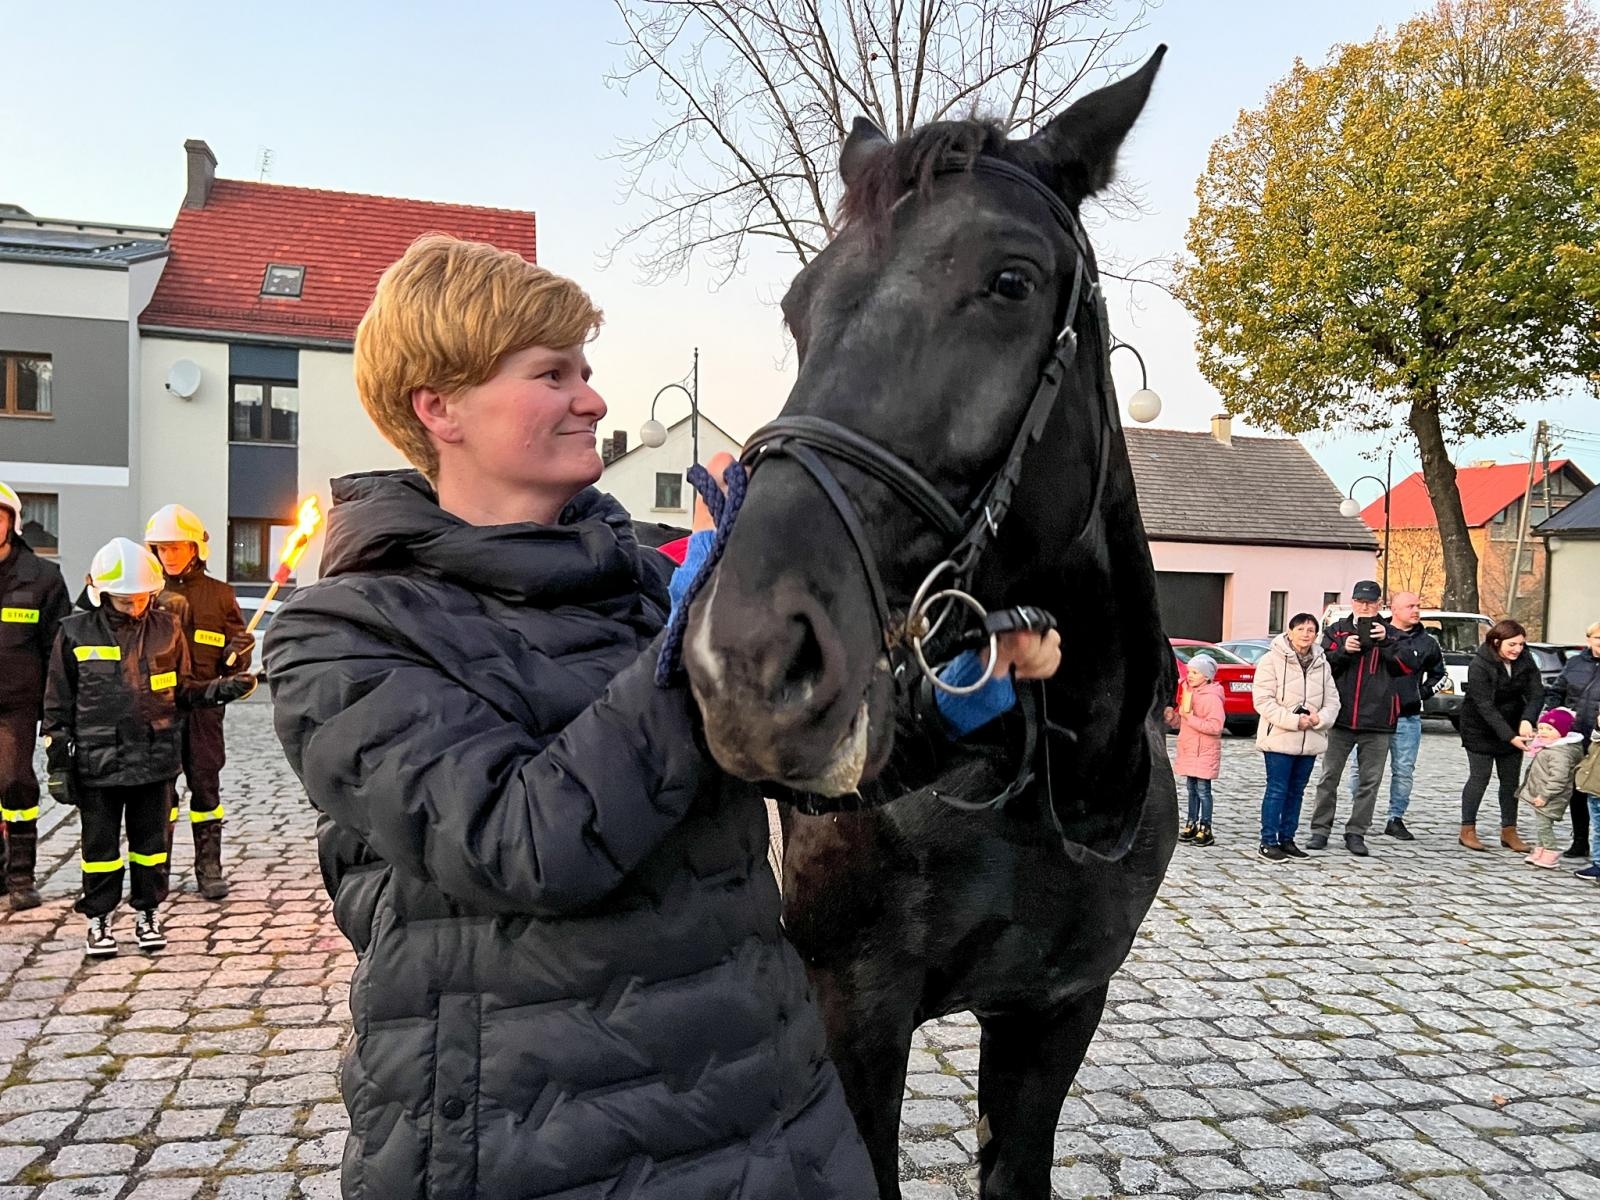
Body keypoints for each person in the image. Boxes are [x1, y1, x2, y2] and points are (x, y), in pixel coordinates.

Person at [263, 234, 1062, 1199]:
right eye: (552, 373)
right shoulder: (343, 633)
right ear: (440, 408)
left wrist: (959, 690)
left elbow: (793, 766)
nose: (593, 399)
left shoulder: (642, 584)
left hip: (767, 1099)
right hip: (537, 1132)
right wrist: (695, 643)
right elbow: (529, 842)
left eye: (587, 371)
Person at [42, 539, 255, 958]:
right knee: (100, 849)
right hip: (97, 760)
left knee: (151, 845)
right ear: (102, 593)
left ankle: (148, 912)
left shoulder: (167, 629)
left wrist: (220, 690)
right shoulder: (74, 632)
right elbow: (57, 704)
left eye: (142, 598)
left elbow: (183, 690)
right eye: (125, 601)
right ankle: (99, 918)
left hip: (155, 758)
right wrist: (58, 763)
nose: (135, 607)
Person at [145, 503, 252, 900]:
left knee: (206, 787)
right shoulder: (149, 593)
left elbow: (237, 651)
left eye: (176, 548)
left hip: (206, 709)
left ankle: (209, 867)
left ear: (195, 549)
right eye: (162, 549)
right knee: (161, 793)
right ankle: (158, 867)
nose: (168, 556)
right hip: (161, 710)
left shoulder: (220, 595)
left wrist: (239, 651)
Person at [0, 481, 72, 910]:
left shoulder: (43, 577)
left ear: (12, 522)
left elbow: (57, 650)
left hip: (17, 703)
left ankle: (21, 876)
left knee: (14, 782)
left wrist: (55, 708)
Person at [1308, 579, 1416, 856]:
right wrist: (1344, 652)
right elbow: (1322, 667)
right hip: (1341, 718)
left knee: (1370, 782)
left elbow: (1406, 667)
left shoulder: (1392, 633)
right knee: (1328, 777)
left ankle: (1356, 832)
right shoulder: (1336, 631)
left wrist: (1385, 644)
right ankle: (1320, 830)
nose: (1365, 606)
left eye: (1371, 602)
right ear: (1353, 602)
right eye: (1360, 601)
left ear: (1380, 604)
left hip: (1379, 720)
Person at [1252, 612, 1341, 863]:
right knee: (1277, 790)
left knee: (1297, 791)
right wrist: (1294, 720)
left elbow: (1333, 700)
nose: (1306, 634)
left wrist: (1318, 719)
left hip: (1309, 739)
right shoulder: (1271, 661)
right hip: (1280, 738)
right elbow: (1263, 700)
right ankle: (1268, 841)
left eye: (1311, 630)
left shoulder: (1322, 663)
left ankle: (1287, 839)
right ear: (1289, 632)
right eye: (1300, 629)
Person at [1458, 618, 1544, 852]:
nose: (1517, 649)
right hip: (1479, 728)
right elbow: (1485, 706)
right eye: (1512, 645)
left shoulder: (1525, 660)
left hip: (1513, 723)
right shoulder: (1479, 664)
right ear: (1497, 642)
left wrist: (1527, 720)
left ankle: (1509, 831)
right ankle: (1467, 829)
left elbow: (1537, 693)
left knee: (1510, 782)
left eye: (1521, 645)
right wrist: (1509, 737)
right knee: (1480, 777)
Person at [1381, 592, 1444, 841]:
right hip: (1375, 716)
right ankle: (1360, 816)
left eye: (1418, 606)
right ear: (1394, 609)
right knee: (1362, 770)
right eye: (1410, 606)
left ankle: (1395, 818)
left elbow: (1440, 675)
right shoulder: (1379, 635)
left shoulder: (1427, 642)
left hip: (1407, 717)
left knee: (1404, 770)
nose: (1416, 610)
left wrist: (1421, 694)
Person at [1544, 620, 1600, 867]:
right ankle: (1580, 841)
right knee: (1577, 789)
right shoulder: (1575, 663)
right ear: (1589, 639)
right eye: (1598, 638)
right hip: (1576, 735)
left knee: (1595, 790)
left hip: (1599, 738)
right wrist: (1557, 716)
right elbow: (1557, 691)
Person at [1164, 655, 1224, 847]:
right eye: (1189, 672)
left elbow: (1215, 727)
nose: (1190, 676)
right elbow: (1183, 721)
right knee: (1191, 789)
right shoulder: (1189, 693)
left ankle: (1205, 826)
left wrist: (1190, 718)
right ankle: (1191, 822)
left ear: (1207, 676)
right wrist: (1172, 718)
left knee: (1203, 791)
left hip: (1204, 751)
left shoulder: (1212, 698)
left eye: (1195, 673)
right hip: (1190, 748)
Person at [1516, 707, 1584, 868]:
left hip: (1551, 796)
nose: (1543, 732)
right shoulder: (1550, 747)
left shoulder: (1560, 753)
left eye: (1549, 729)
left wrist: (1545, 795)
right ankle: (1541, 849)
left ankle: (1550, 852)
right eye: (1541, 728)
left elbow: (1558, 779)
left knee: (1544, 825)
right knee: (1541, 823)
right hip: (1542, 792)